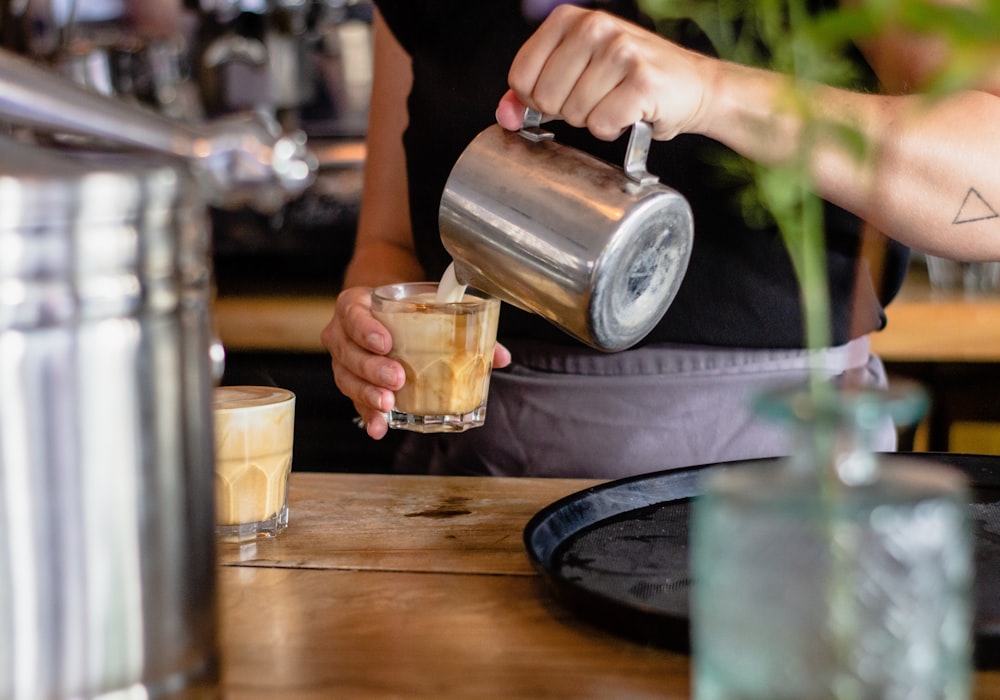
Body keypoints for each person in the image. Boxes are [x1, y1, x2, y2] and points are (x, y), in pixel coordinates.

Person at [321, 1, 999, 478]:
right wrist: (369, 326)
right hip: (468, 485)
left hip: (771, 477)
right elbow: (388, 246)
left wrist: (712, 92)